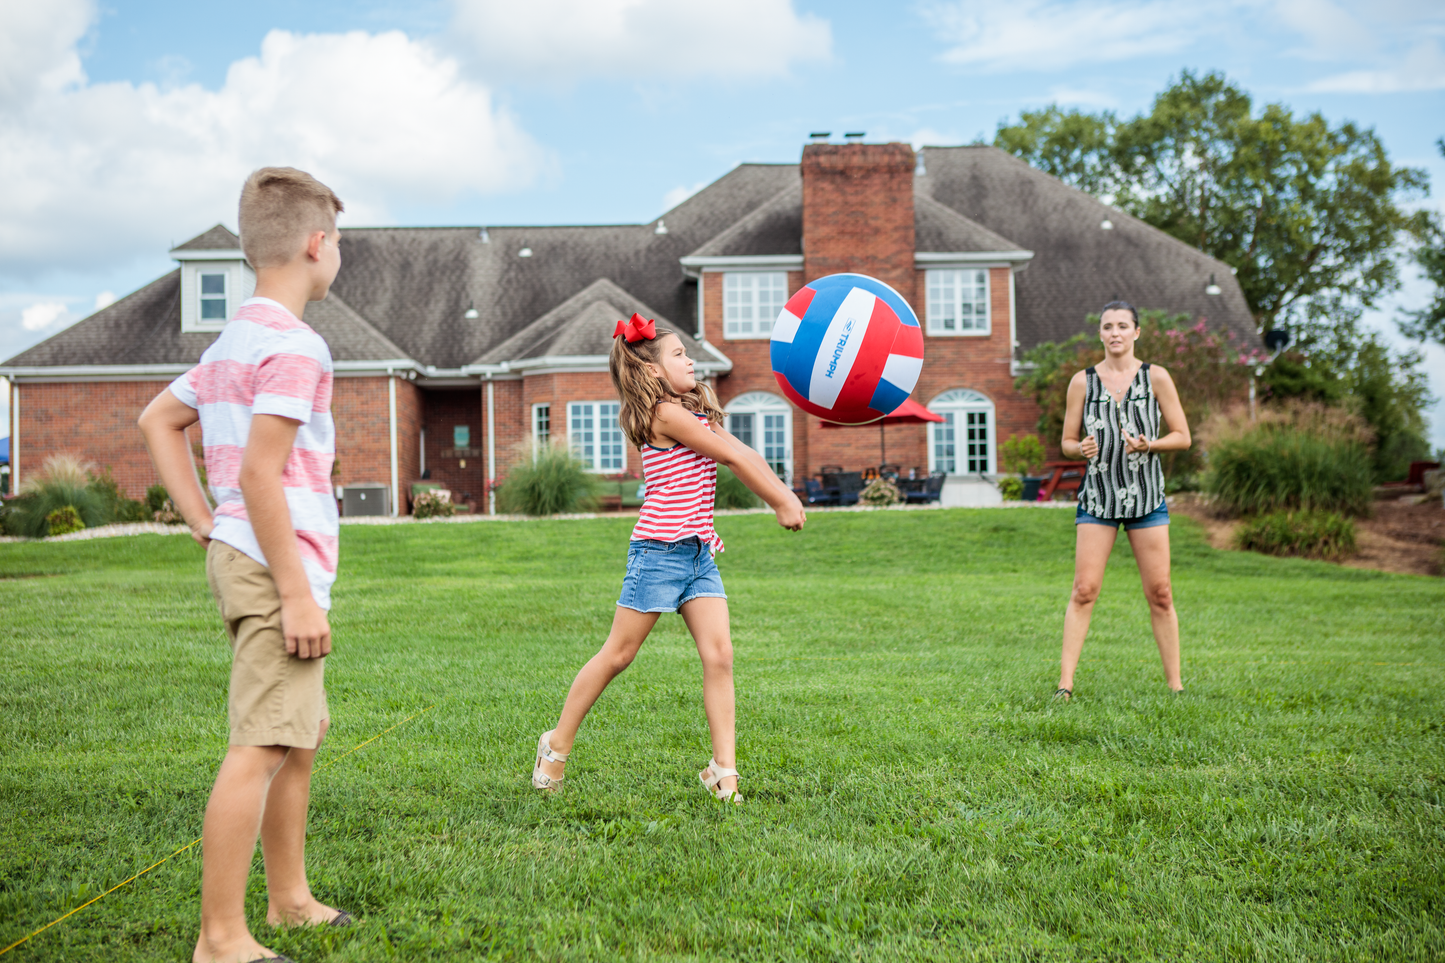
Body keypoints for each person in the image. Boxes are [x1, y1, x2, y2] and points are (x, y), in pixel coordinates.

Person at [139, 167, 351, 963]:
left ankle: (290, 898)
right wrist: (296, 594)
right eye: (339, 243)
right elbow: (262, 474)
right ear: (315, 243)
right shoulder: (296, 346)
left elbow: (159, 419)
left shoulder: (234, 341)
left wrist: (204, 518)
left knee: (297, 735)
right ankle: (221, 936)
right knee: (261, 743)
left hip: (251, 553)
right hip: (276, 567)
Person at [531, 314, 806, 802]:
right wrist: (781, 503)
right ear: (654, 370)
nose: (690, 359)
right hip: (658, 553)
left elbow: (747, 453)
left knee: (720, 655)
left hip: (698, 553)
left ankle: (724, 773)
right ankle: (555, 745)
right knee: (618, 655)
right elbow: (734, 460)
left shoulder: (693, 413)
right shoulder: (664, 414)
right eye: (679, 354)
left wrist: (786, 491)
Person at [1055, 300, 1191, 701]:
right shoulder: (1082, 382)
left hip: (1147, 499)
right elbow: (1065, 442)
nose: (1115, 333)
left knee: (1161, 593)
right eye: (1107, 326)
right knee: (1084, 590)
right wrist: (1079, 447)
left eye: (1122, 326)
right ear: (1100, 334)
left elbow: (1183, 436)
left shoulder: (1157, 378)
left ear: (1136, 332)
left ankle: (1175, 685)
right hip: (1097, 500)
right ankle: (1065, 685)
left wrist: (1153, 443)